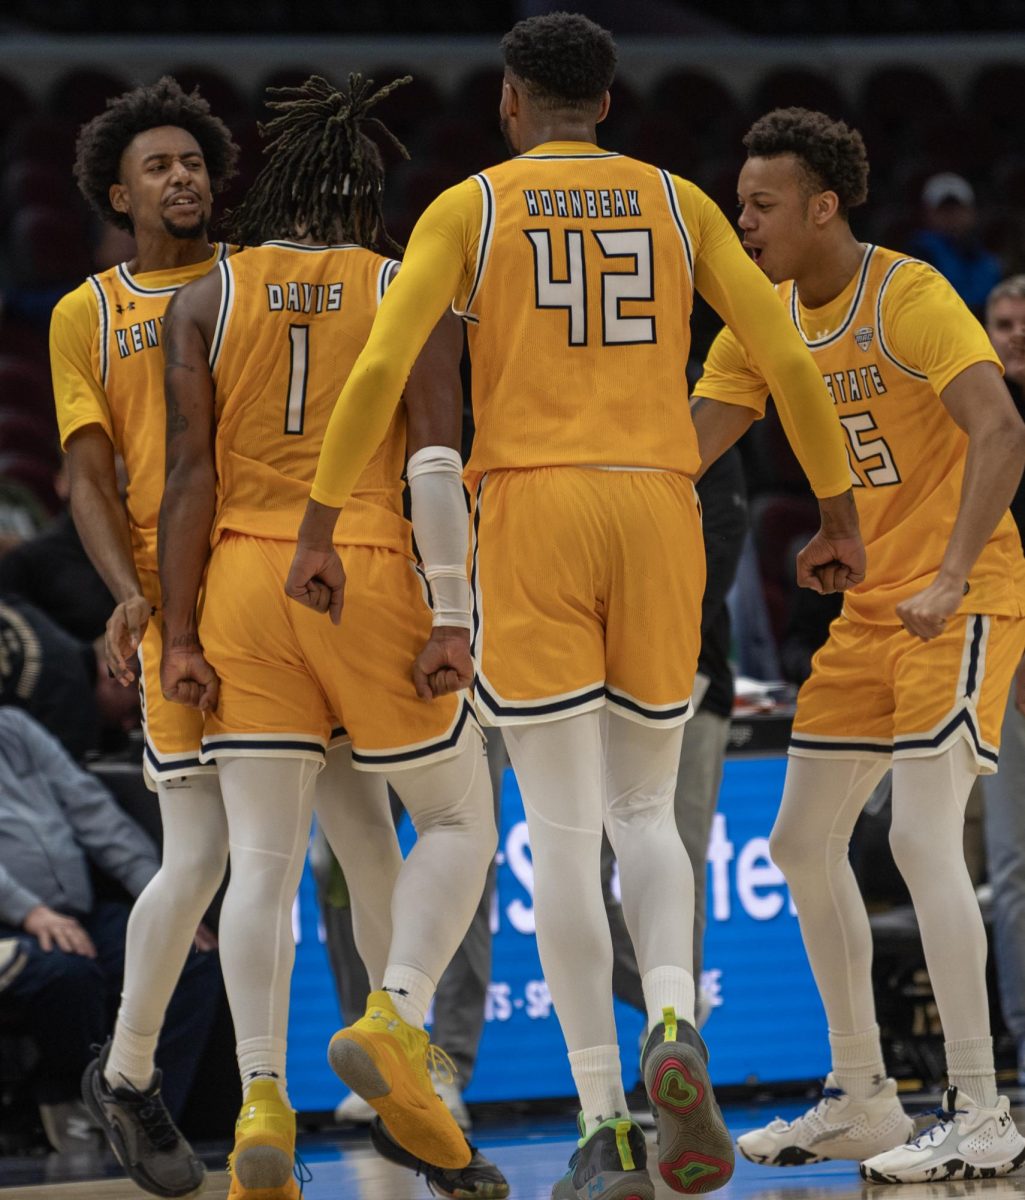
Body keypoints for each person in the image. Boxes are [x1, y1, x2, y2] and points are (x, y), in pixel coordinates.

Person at [286, 15, 863, 1199]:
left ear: (509, 101)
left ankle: (605, 1127)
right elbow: (789, 363)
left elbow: (385, 373)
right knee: (646, 809)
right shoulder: (678, 202)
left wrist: (316, 519)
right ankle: (668, 1023)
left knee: (557, 830)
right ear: (605, 103)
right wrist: (839, 514)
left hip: (533, 506)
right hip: (656, 501)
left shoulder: (469, 205)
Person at [157, 75, 505, 1200]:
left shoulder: (202, 296)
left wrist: (176, 636)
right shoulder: (409, 285)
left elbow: (185, 483)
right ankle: (396, 1021)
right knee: (456, 815)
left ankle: (263, 1099)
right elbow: (434, 463)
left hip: (240, 584)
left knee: (260, 861)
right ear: (368, 201)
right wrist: (452, 610)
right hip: (358, 567)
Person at [689, 107, 1025, 1183]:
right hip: (869, 607)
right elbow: (680, 451)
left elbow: (1000, 429)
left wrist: (944, 571)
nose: (741, 222)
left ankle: (980, 1108)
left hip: (960, 595)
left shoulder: (909, 295)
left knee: (924, 838)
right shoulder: (758, 320)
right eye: (737, 204)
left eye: (759, 205)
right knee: (797, 843)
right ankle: (863, 1095)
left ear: (822, 207)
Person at [49, 77, 239, 1198]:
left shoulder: (258, 281)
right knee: (206, 856)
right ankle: (130, 1077)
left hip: (286, 586)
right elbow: (85, 471)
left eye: (194, 160)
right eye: (157, 166)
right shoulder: (89, 311)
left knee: (343, 828)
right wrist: (130, 596)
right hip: (179, 607)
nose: (183, 177)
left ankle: (393, 1065)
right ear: (118, 193)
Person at [0, 707, 219, 1153]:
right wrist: (28, 911)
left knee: (187, 956)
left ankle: (145, 1118)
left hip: (75, 911)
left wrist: (163, 896)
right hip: (15, 922)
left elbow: (93, 810)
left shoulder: (15, 727)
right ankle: (64, 1095)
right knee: (67, 973)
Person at [980, 274, 1025, 1088]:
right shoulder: (967, 421)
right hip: (998, 656)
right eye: (1001, 321)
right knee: (1013, 865)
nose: (1014, 333)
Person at [907, 173, 1002, 318]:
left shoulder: (988, 259)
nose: (952, 215)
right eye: (944, 210)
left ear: (971, 212)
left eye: (957, 208)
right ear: (928, 214)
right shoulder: (915, 256)